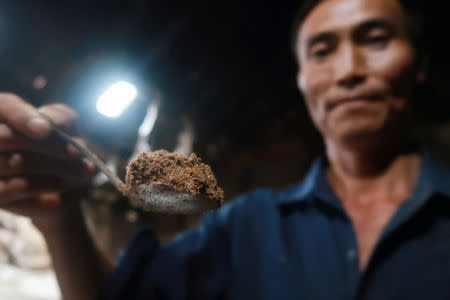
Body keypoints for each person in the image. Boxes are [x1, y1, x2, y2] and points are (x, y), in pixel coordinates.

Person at [0, 0, 449, 299]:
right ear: (302, 79)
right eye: (322, 51)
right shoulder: (246, 226)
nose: (348, 70)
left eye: (374, 40)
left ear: (420, 64)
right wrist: (61, 218)